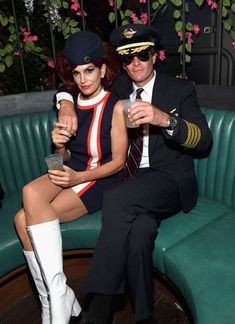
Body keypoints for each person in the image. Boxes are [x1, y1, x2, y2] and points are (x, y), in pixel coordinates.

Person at [56, 24, 212, 324]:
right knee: (139, 233)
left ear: (154, 55)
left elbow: (204, 141)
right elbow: (77, 83)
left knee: (116, 197)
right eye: (127, 59)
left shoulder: (178, 89)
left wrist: (164, 119)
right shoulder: (120, 89)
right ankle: (144, 316)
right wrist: (65, 104)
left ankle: (100, 309)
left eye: (141, 55)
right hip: (135, 182)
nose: (135, 64)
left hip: (169, 179)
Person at [14, 31, 128, 324]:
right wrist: (59, 143)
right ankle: (56, 297)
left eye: (89, 70)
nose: (83, 79)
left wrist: (80, 177)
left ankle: (57, 304)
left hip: (99, 178)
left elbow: (118, 162)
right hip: (72, 169)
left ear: (103, 69)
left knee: (24, 218)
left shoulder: (115, 106)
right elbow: (63, 156)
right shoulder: (70, 104)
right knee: (23, 209)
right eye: (77, 73)